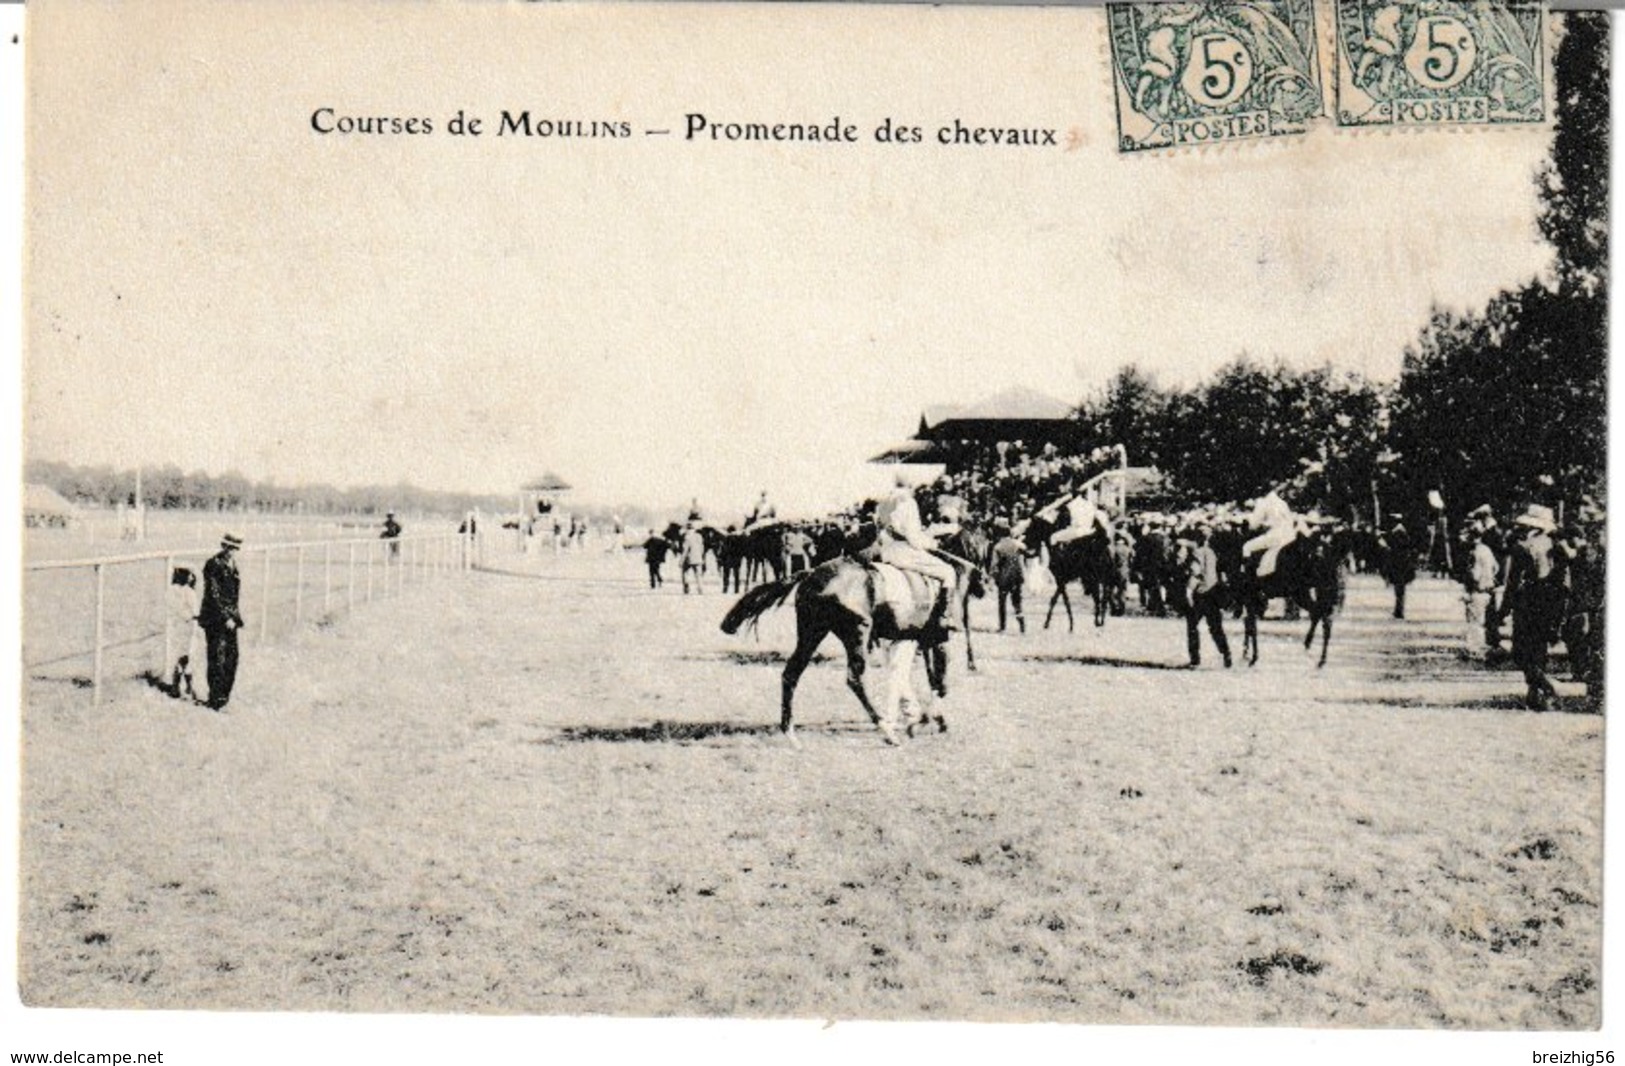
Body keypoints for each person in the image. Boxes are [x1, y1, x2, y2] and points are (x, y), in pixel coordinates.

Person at [874, 475, 959, 631]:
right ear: (909, 487)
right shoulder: (908, 502)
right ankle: (944, 617)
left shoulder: (883, 503)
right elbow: (913, 538)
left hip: (885, 552)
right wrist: (932, 543)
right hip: (904, 552)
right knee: (949, 572)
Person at [1503, 504, 1565, 711]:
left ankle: (1545, 686)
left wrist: (1503, 609)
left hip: (1527, 602)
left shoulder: (1522, 548)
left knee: (1520, 651)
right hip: (1548, 603)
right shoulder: (1555, 547)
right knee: (1539, 650)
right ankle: (1535, 695)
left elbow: (1512, 583)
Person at [198, 533, 245, 711]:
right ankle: (215, 699)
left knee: (232, 658)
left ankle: (224, 697)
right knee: (217, 658)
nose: (232, 552)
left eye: (235, 549)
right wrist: (225, 618)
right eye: (229, 548)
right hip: (215, 619)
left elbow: (233, 597)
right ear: (223, 546)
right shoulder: (213, 564)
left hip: (231, 619)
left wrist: (234, 618)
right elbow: (214, 594)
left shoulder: (234, 566)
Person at [1182, 525, 1231, 669]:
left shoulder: (1196, 553)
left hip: (1200, 594)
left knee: (1192, 627)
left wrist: (1188, 591)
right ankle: (1226, 653)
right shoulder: (1212, 553)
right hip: (1213, 593)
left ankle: (1195, 660)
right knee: (1216, 627)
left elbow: (1195, 573)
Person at [166, 566, 204, 700]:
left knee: (180, 655)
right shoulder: (189, 592)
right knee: (188, 656)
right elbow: (196, 611)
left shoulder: (171, 591)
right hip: (188, 626)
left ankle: (179, 685)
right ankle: (185, 686)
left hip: (177, 626)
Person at [1461, 529, 1499, 660]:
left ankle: (1473, 649)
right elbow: (1496, 567)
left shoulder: (1474, 553)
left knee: (1474, 622)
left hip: (1477, 590)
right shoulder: (1487, 550)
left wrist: (1468, 588)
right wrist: (1489, 578)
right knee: (1482, 621)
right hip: (1487, 590)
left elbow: (1474, 574)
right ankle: (1479, 648)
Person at [1241, 488, 1295, 578]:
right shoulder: (1281, 502)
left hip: (1275, 535)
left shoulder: (1262, 502)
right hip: (1290, 535)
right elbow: (1290, 520)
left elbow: (1254, 525)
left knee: (1247, 547)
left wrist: (1247, 521)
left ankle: (1248, 579)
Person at [986, 522, 1027, 633]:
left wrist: (991, 579)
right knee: (1017, 601)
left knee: (1002, 602)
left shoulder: (997, 547)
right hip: (1017, 576)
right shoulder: (1016, 544)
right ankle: (1022, 626)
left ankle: (1003, 627)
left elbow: (994, 566)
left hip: (1003, 578)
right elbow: (1026, 550)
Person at [680, 523, 707, 594]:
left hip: (689, 559)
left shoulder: (687, 537)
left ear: (687, 529)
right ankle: (700, 589)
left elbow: (685, 550)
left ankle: (686, 587)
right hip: (698, 558)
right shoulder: (699, 536)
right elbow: (702, 548)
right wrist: (701, 556)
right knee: (698, 575)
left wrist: (681, 560)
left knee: (685, 573)